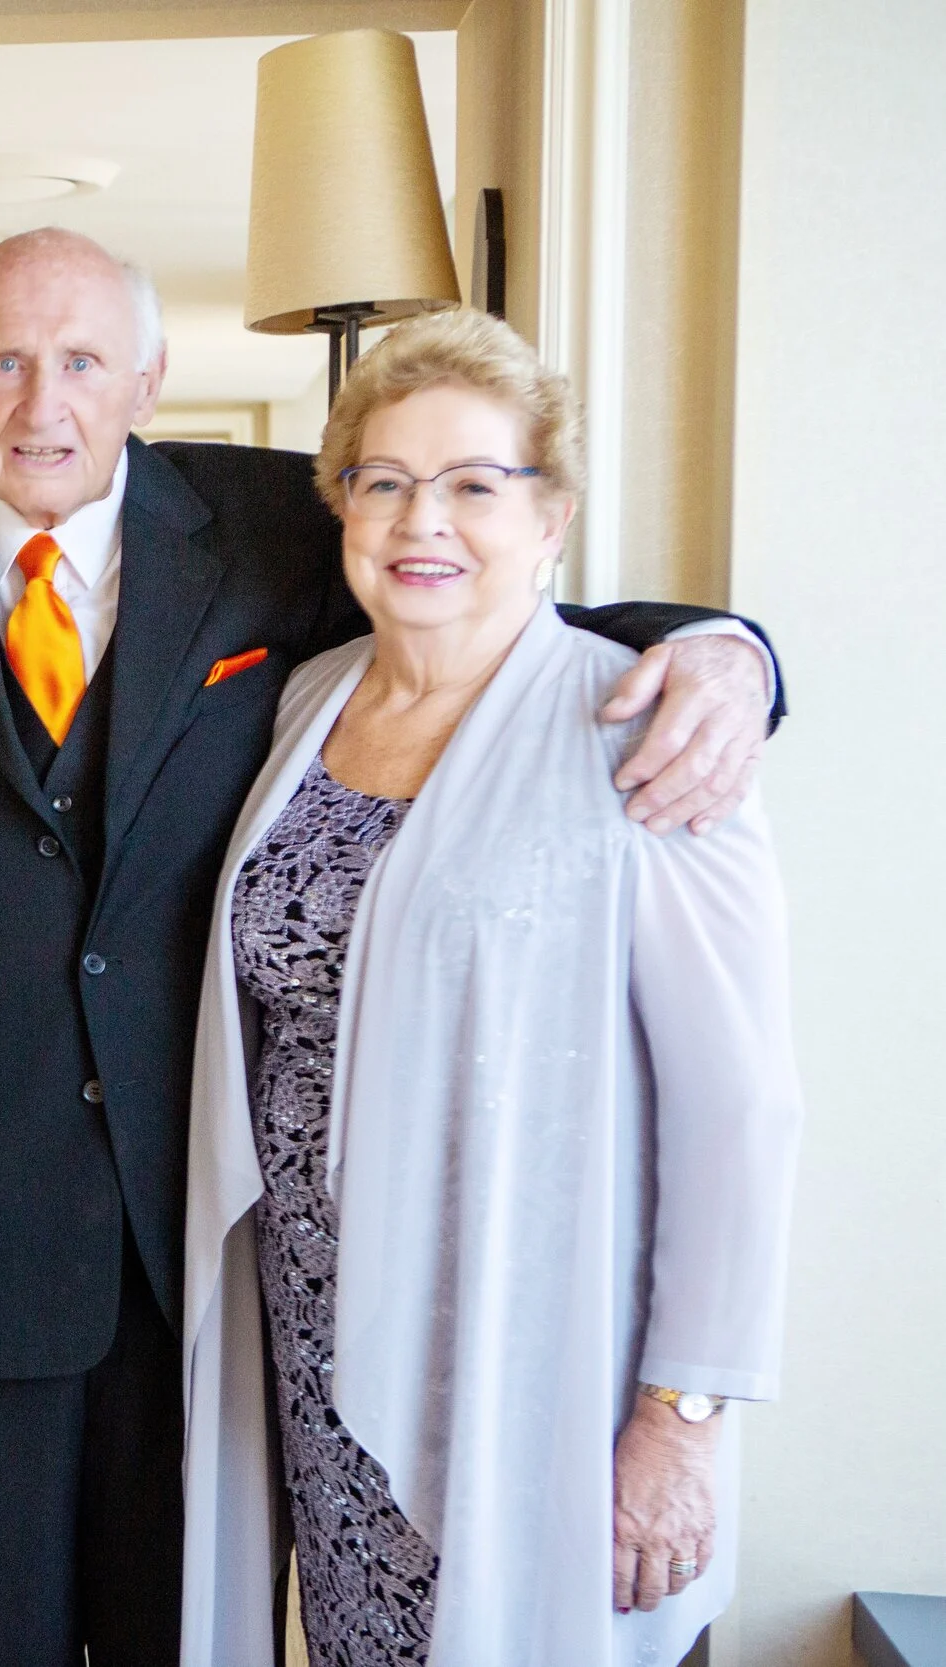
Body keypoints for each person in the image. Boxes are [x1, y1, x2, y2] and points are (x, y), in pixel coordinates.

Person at [0, 229, 785, 1667]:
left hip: (248, 1257)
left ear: (149, 375)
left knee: (191, 1619)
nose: (43, 402)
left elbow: (509, 617)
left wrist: (733, 650)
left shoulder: (273, 525)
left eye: (82, 358)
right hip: (8, 1219)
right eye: (5, 361)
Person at [178, 308, 801, 1665]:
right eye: (385, 480)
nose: (424, 520)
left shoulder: (643, 725)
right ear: (340, 505)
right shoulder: (306, 703)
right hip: (317, 1327)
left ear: (553, 514)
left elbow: (738, 1104)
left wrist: (680, 1418)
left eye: (475, 482)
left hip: (536, 1339)